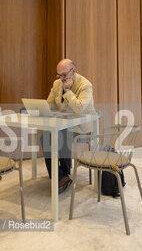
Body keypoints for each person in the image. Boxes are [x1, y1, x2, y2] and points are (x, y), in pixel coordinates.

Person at [40, 59, 95, 194]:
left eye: (64, 75)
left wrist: (68, 91)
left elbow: (79, 109)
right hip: (62, 124)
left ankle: (63, 175)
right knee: (46, 137)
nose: (61, 79)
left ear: (73, 71)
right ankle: (60, 176)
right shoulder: (57, 83)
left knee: (61, 136)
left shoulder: (85, 85)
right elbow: (49, 104)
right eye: (59, 75)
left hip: (81, 127)